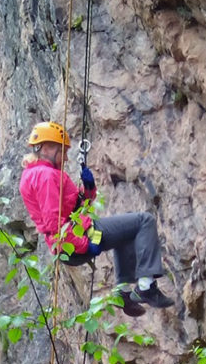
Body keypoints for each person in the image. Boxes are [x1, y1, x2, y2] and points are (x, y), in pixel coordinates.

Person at [19, 121, 175, 318]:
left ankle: (124, 292)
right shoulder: (45, 176)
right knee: (145, 221)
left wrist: (88, 188)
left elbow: (77, 208)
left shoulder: (34, 174)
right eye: (63, 151)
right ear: (48, 148)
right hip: (75, 240)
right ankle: (146, 287)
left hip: (73, 239)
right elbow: (54, 223)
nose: (66, 157)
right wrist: (84, 245)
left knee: (127, 232)